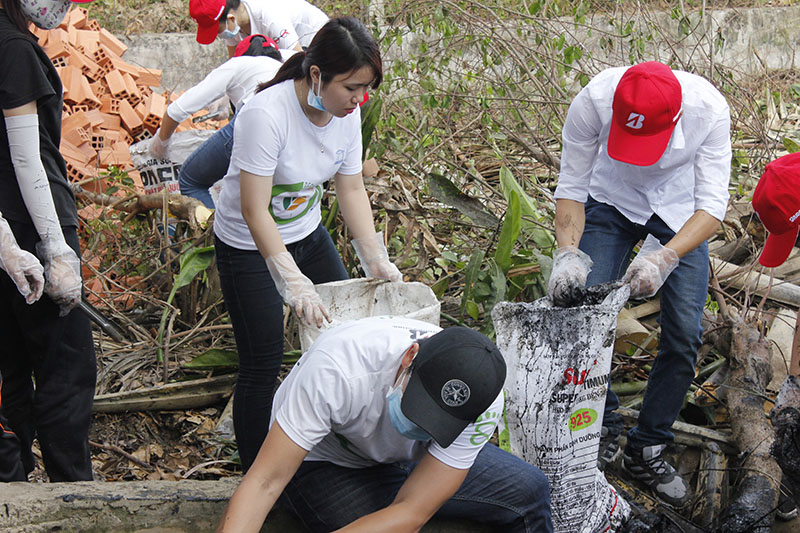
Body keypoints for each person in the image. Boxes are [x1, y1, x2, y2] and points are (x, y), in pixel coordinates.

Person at [212, 17, 403, 471]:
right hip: (248, 246)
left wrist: (374, 257)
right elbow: (255, 209)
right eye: (352, 87)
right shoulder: (266, 115)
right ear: (316, 75)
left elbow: (351, 187)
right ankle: (257, 473)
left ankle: (329, 446)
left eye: (366, 88)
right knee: (263, 360)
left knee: (341, 335)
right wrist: (291, 282)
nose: (359, 99)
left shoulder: (346, 115)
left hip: (307, 234)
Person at [549, 61, 731, 507]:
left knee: (685, 332)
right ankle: (602, 423)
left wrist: (667, 257)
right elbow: (572, 184)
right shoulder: (594, 100)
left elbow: (712, 205)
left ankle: (648, 446)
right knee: (583, 316)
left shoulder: (708, 110)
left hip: (680, 215)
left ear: (676, 120)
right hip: (610, 201)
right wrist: (568, 254)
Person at [215, 317, 553, 532]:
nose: (419, 424)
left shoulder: (483, 400)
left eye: (436, 422)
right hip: (329, 459)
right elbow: (264, 483)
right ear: (409, 357)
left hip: (414, 460)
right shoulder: (337, 368)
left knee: (528, 490)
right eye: (417, 407)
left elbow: (412, 510)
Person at [0, 0, 96, 481]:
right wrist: (56, 249)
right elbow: (26, 159)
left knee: (10, 366)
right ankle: (71, 493)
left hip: (5, 237)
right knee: (66, 369)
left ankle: (13, 491)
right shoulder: (13, 49)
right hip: (35, 231)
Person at [149, 34, 294, 207]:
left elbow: (176, 110)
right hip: (292, 128)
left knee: (191, 179)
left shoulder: (238, 63)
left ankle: (213, 232)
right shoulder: (289, 64)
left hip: (254, 123)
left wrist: (161, 143)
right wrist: (226, 101)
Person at [190, 0, 327, 56]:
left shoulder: (271, 18)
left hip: (315, 43)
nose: (218, 36)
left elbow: (298, 61)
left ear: (231, 19)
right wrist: (225, 97)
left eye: (217, 31)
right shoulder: (234, 23)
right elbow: (234, 65)